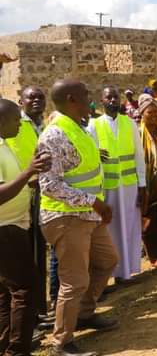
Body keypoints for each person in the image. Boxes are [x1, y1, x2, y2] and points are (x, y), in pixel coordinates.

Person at [38, 79, 119, 356]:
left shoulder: (78, 127)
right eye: (86, 95)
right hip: (65, 217)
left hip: (86, 214)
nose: (91, 99)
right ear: (72, 99)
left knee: (108, 260)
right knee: (74, 281)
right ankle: (61, 342)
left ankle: (84, 314)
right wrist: (93, 202)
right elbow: (49, 185)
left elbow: (80, 167)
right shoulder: (54, 135)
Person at [0, 99, 52, 356]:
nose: (20, 124)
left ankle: (6, 343)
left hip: (13, 225)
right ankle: (17, 351)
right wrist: (27, 172)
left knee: (7, 292)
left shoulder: (4, 144)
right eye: (15, 120)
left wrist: (32, 178)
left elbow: (12, 183)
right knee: (25, 289)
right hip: (5, 229)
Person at [88, 87, 146, 284]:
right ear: (101, 101)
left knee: (129, 227)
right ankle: (110, 275)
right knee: (110, 231)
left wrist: (142, 184)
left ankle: (127, 271)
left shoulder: (130, 124)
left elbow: (139, 156)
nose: (113, 100)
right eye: (108, 97)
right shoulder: (94, 126)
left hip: (129, 186)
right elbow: (92, 157)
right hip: (108, 188)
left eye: (115, 97)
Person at [5, 87, 49, 316]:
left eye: (40, 97)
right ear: (20, 100)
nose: (36, 101)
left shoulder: (42, 125)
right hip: (19, 199)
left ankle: (39, 308)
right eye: (31, 97)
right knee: (26, 260)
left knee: (39, 253)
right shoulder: (13, 125)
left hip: (40, 195)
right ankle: (33, 313)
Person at [137, 94, 157, 268]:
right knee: (150, 221)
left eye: (156, 112)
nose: (155, 115)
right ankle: (153, 255)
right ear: (142, 113)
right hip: (148, 183)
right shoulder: (139, 133)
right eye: (150, 112)